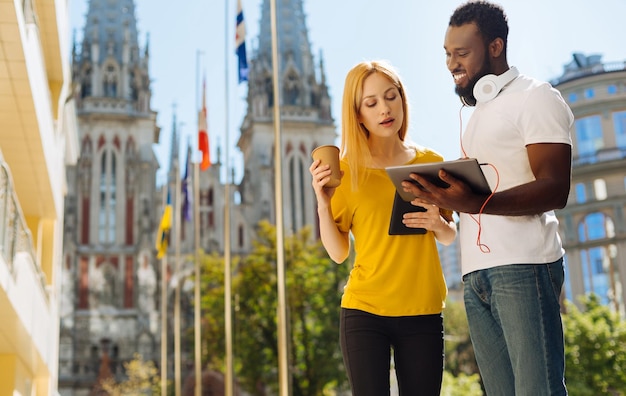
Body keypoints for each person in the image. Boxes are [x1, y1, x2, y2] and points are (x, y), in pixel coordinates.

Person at [401, 1, 573, 395]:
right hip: (475, 273)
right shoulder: (480, 112)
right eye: (447, 53)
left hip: (524, 267)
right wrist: (442, 194)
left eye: (462, 53)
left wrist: (473, 203)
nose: (451, 63)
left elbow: (555, 189)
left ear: (495, 47)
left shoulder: (536, 97)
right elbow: (484, 189)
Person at [310, 60, 457, 395]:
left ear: (403, 99)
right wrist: (323, 201)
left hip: (423, 309)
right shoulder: (346, 172)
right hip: (365, 311)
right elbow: (338, 253)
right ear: (357, 114)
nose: (385, 109)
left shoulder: (430, 163)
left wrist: (438, 224)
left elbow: (451, 236)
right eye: (371, 103)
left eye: (391, 97)